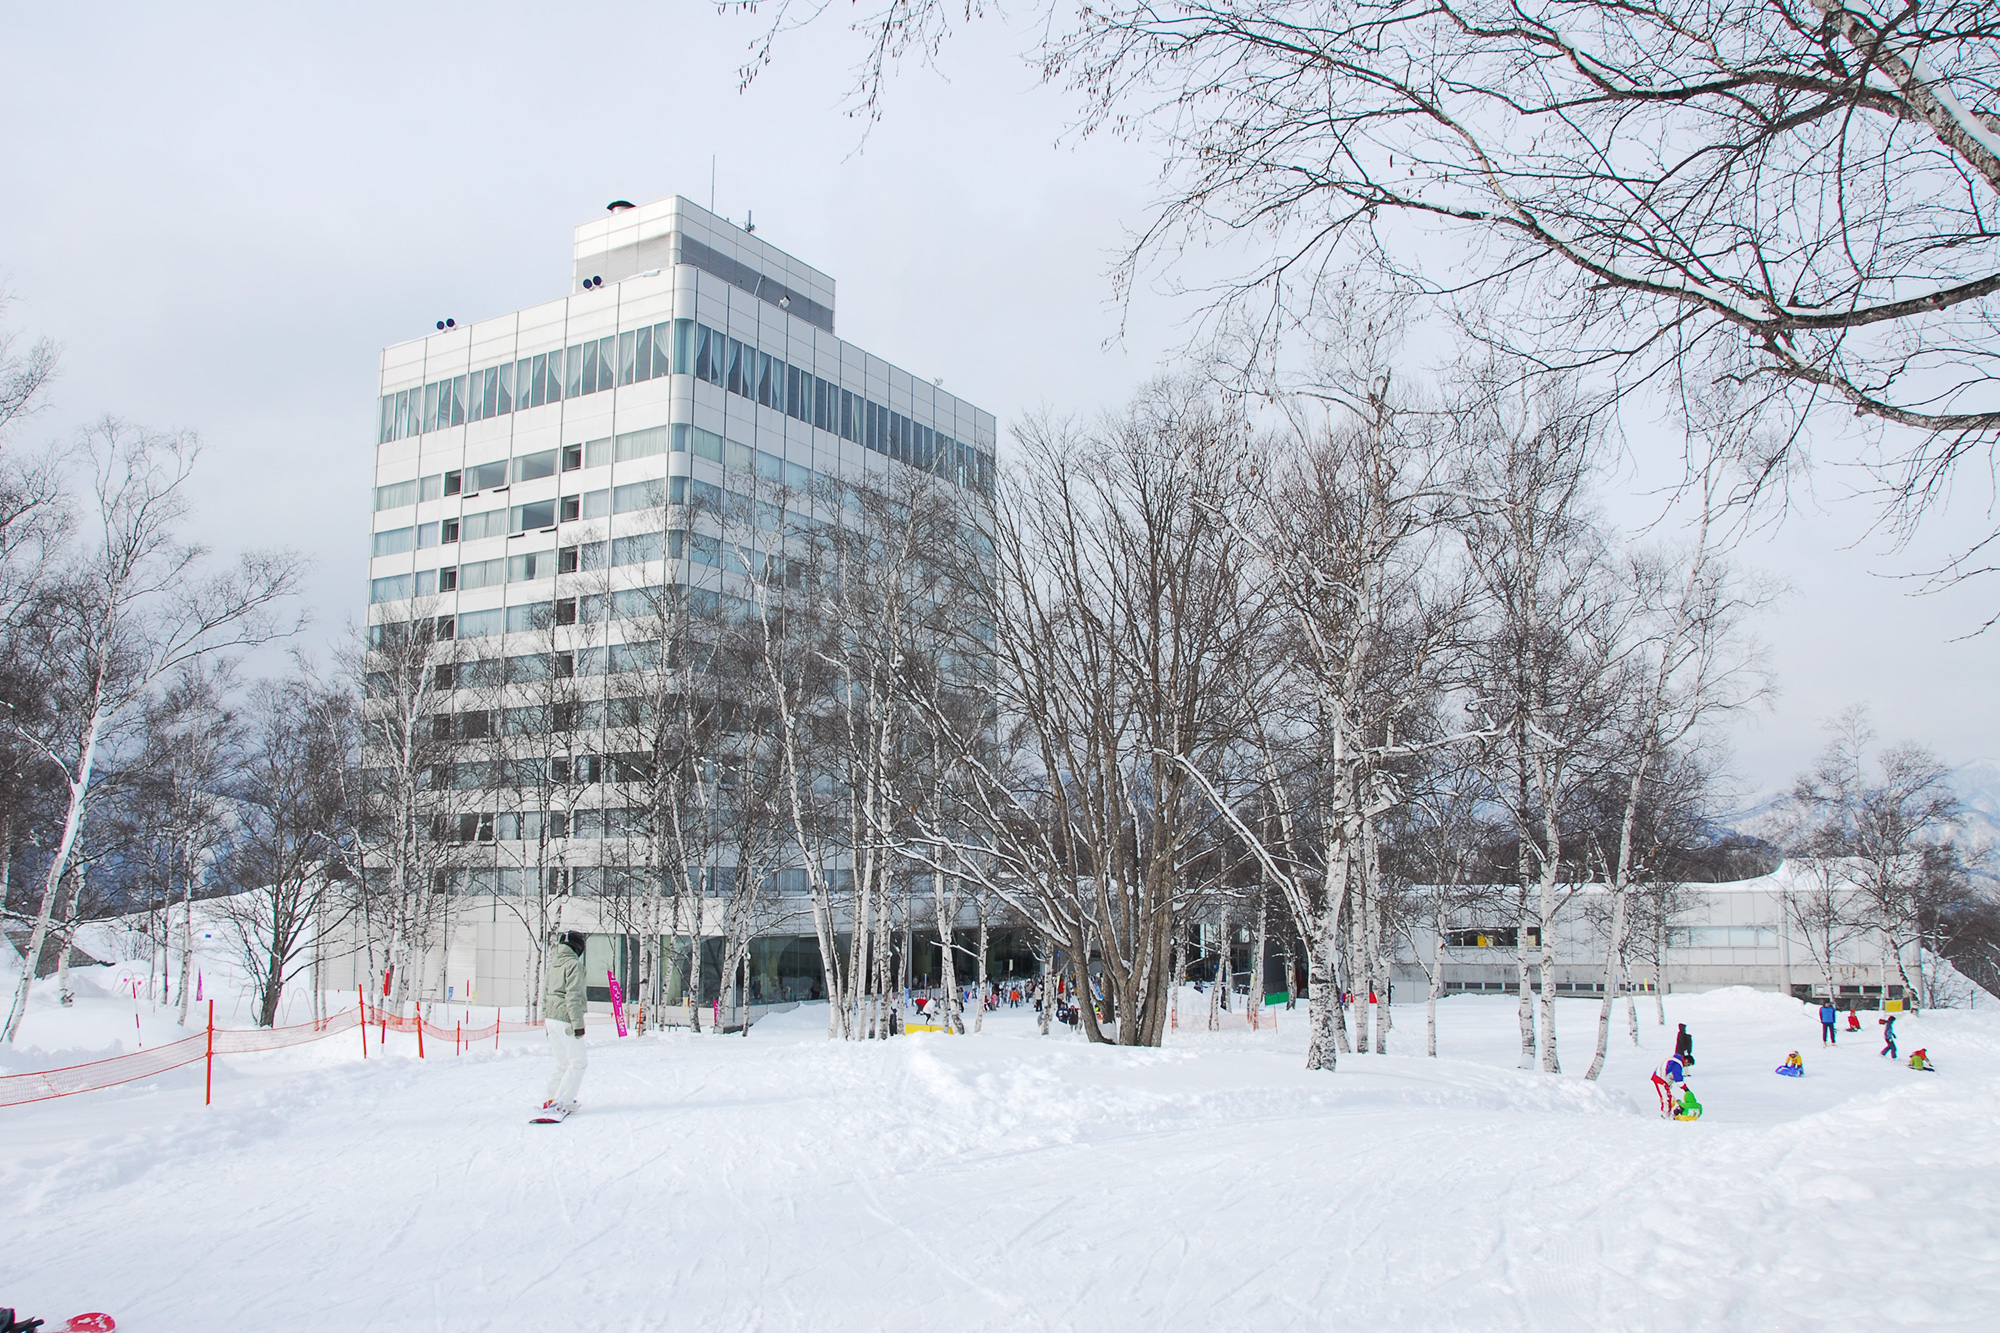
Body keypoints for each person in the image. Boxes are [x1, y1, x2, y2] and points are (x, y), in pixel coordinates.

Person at [541, 929, 588, 1115]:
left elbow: (545, 993)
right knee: (578, 1062)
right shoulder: (574, 965)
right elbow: (573, 996)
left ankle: (549, 1098)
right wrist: (578, 1024)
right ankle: (562, 1102)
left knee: (563, 1062)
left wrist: (546, 1020)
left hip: (551, 1018)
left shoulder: (554, 965)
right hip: (566, 1018)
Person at [1652, 1051, 1693, 1119]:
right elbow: (1678, 1079)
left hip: (1659, 1077)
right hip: (1661, 1079)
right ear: (1686, 1060)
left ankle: (1667, 1112)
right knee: (1666, 1098)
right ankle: (1666, 1115)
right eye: (1688, 1064)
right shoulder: (1677, 1064)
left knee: (1669, 1097)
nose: (1686, 1066)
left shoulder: (1674, 1059)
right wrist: (1686, 1090)